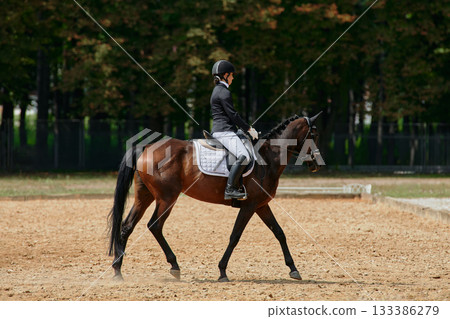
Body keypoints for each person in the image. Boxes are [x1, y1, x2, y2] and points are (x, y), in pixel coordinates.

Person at [210, 60, 258, 200]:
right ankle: (230, 189)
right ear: (225, 75)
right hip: (224, 131)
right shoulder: (224, 92)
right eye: (231, 75)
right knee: (245, 156)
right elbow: (233, 115)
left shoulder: (217, 90)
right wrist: (248, 128)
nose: (233, 78)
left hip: (224, 129)